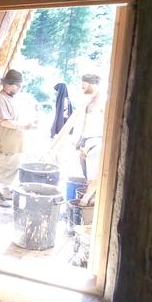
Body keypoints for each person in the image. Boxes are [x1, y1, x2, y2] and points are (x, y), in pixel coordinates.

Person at [51, 73, 105, 206]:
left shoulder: (103, 101)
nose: (82, 87)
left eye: (84, 84)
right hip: (85, 142)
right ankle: (89, 202)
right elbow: (80, 123)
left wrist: (97, 143)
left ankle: (84, 202)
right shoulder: (88, 100)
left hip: (95, 143)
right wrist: (78, 142)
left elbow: (107, 125)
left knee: (95, 177)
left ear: (92, 84)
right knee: (88, 177)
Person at [0, 69, 36, 207]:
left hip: (14, 143)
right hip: (3, 142)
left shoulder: (11, 98)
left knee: (12, 168)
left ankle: (6, 191)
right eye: (17, 85)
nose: (19, 88)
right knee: (1, 168)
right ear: (7, 84)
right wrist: (25, 126)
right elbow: (4, 121)